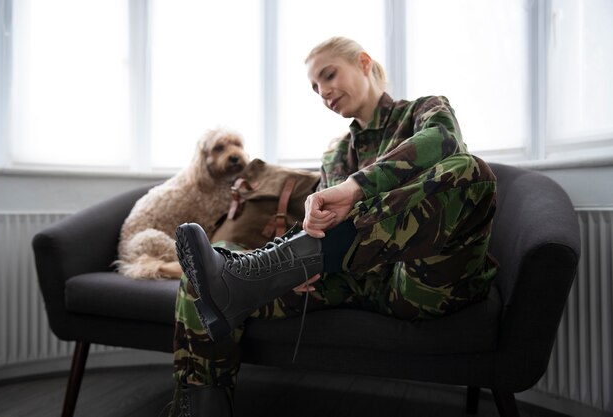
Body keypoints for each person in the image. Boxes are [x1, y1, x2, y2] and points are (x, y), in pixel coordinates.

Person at [167, 36, 498, 416]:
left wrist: (356, 187)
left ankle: (301, 259)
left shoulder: (425, 111)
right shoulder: (337, 153)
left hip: (422, 279)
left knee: (471, 170)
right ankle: (202, 408)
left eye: (328, 75)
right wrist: (306, 251)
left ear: (363, 62)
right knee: (205, 273)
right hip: (353, 280)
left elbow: (444, 142)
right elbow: (323, 220)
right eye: (315, 87)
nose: (323, 92)